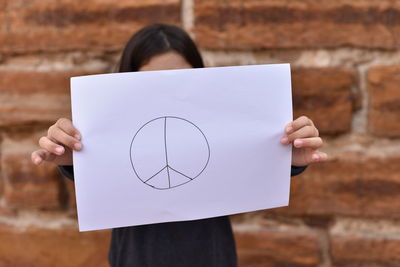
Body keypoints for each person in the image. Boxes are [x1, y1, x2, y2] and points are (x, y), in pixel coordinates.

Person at [31, 24, 327, 267]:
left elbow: (248, 156)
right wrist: (72, 158)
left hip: (211, 256)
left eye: (181, 79)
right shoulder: (111, 130)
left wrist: (291, 157)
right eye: (151, 83)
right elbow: (99, 164)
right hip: (135, 257)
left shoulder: (218, 126)